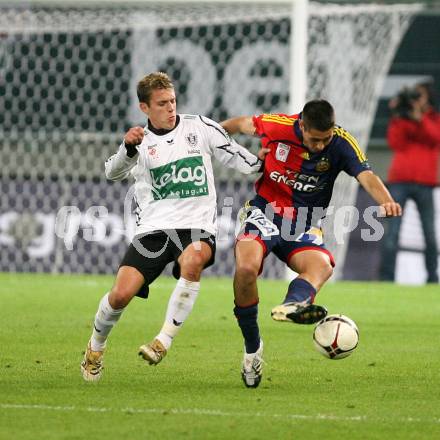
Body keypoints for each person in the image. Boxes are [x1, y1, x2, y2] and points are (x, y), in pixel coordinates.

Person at [81, 72, 265, 381]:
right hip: (154, 229)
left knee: (193, 259)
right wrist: (127, 148)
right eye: (162, 103)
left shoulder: (200, 127)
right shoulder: (140, 140)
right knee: (121, 295)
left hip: (197, 227)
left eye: (173, 101)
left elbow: (238, 158)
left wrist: (262, 163)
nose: (171, 108)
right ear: (145, 107)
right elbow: (112, 172)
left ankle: (162, 341)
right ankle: (95, 348)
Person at [221, 100, 402, 388]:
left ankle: (294, 303)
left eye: (325, 139)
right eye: (315, 139)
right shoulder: (276, 126)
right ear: (301, 126)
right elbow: (233, 126)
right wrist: (235, 154)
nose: (320, 146)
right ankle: (252, 350)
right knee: (245, 269)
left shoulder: (342, 143)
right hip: (264, 213)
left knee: (322, 266)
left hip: (303, 224)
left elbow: (366, 175)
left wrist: (386, 201)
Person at [379, 82, 440, 283]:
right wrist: (398, 116)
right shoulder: (401, 119)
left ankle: (432, 278)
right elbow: (394, 142)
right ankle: (386, 279)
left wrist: (419, 118)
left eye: (419, 96)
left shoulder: (433, 119)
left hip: (425, 183)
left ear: (428, 98)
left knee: (429, 234)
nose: (416, 101)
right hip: (399, 181)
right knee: (392, 232)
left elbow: (435, 137)